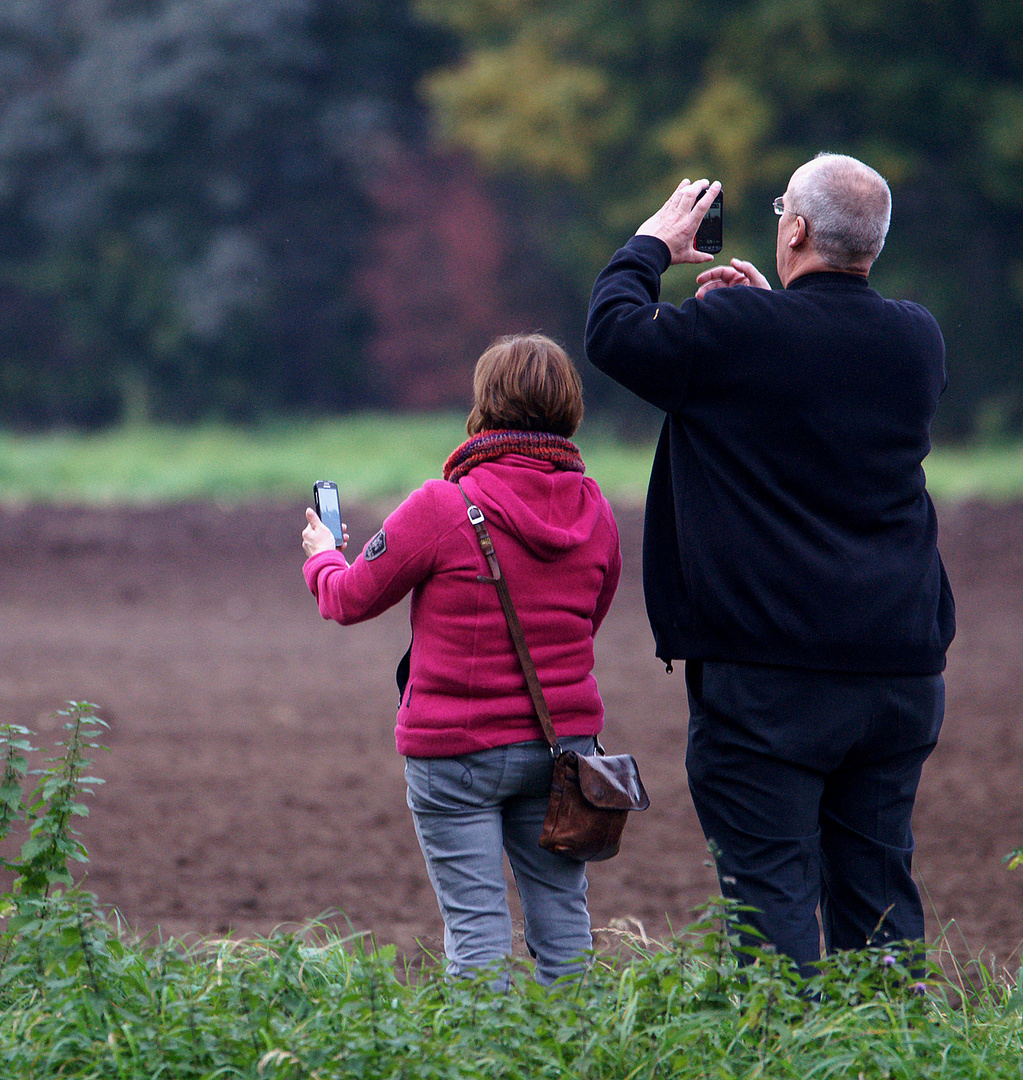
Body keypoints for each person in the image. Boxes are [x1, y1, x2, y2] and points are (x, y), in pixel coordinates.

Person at [583, 155, 956, 973]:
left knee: (773, 902)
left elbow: (612, 331)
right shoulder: (917, 340)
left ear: (794, 230)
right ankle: (892, 1056)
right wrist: (761, 317)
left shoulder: (739, 336)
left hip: (769, 679)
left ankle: (788, 1053)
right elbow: (814, 379)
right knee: (879, 897)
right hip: (898, 668)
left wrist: (649, 245)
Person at [301, 334, 622, 986]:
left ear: (486, 406)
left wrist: (321, 556)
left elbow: (347, 599)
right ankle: (580, 1054)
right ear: (568, 408)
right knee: (564, 921)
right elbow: (591, 614)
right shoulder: (597, 512)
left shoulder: (443, 507)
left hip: (456, 752)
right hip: (564, 750)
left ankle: (483, 1060)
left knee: (476, 930)